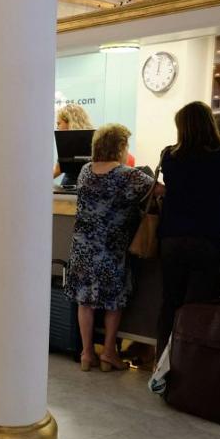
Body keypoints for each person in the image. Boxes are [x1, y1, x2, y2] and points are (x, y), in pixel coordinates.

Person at [157, 102, 220, 355]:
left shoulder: (169, 155)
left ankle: (162, 365)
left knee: (170, 303)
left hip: (171, 238)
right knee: (197, 308)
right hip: (209, 240)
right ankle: (190, 367)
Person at [64, 123, 154, 372]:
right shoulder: (129, 175)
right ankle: (109, 354)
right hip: (111, 248)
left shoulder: (85, 171)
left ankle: (86, 353)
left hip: (82, 247)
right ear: (121, 146)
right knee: (113, 301)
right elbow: (159, 191)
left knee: (85, 301)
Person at [53, 103, 133, 179]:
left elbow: (58, 170)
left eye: (59, 123)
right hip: (93, 183)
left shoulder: (67, 141)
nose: (57, 127)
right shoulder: (98, 137)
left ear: (69, 122)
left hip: (70, 185)